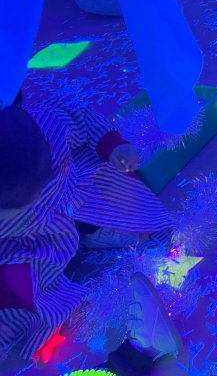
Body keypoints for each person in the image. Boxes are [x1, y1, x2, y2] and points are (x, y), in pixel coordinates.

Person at [0, 92, 174, 362]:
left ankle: (91, 229)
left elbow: (80, 117)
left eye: (40, 182)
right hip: (29, 240)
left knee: (122, 197)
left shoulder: (49, 123)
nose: (36, 196)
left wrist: (112, 145)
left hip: (76, 195)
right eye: (22, 201)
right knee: (18, 290)